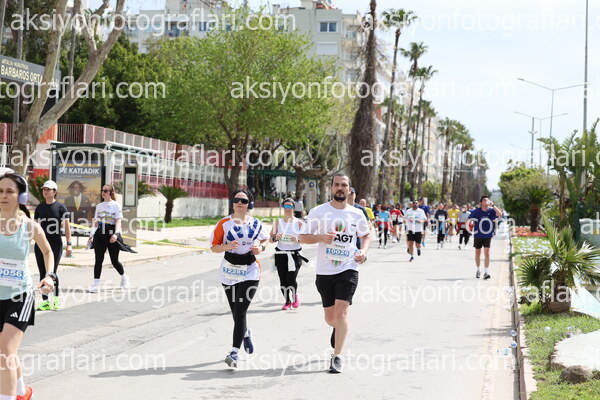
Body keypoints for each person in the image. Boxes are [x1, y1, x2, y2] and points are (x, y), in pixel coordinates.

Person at [299, 174, 370, 374]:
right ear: (331, 188)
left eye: (344, 185)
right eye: (337, 185)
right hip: (325, 271)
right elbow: (303, 237)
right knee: (330, 318)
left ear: (349, 189)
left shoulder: (357, 214)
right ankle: (337, 327)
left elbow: (365, 235)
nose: (340, 188)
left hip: (348, 268)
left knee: (341, 313)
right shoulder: (318, 212)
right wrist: (321, 238)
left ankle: (337, 356)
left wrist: (363, 251)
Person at [0, 172, 55, 400]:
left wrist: (49, 276)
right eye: (0, 191)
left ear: (21, 197)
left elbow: (48, 251)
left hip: (19, 296)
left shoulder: (30, 227)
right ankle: (22, 392)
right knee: (7, 350)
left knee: (5, 351)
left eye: (9, 191)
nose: (3, 195)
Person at [210, 190, 269, 368]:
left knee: (241, 311)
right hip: (229, 270)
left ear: (250, 204)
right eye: (236, 200)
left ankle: (234, 353)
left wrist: (261, 248)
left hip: (250, 270)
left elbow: (265, 239)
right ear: (232, 203)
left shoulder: (256, 223)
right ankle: (245, 333)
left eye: (244, 201)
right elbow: (214, 247)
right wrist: (227, 246)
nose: (240, 203)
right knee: (236, 312)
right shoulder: (224, 224)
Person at [34, 180, 73, 311]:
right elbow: (35, 227)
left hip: (55, 244)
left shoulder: (61, 208)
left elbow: (67, 227)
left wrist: (69, 244)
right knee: (42, 272)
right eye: (44, 189)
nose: (45, 191)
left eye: (48, 189)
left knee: (51, 273)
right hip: (41, 244)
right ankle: (45, 301)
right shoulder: (40, 207)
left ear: (54, 192)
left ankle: (56, 299)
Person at [87, 184, 130, 293]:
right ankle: (96, 284)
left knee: (114, 261)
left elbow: (118, 221)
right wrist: (91, 235)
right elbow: (96, 222)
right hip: (100, 234)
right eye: (102, 190)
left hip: (111, 233)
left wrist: (116, 234)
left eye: (105, 191)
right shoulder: (99, 206)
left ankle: (124, 277)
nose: (103, 192)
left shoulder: (116, 205)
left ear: (111, 192)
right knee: (98, 260)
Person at [270, 198, 307, 310]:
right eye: (285, 206)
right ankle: (287, 301)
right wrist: (276, 237)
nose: (287, 208)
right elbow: (270, 239)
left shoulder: (299, 223)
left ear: (293, 208)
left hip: (295, 255)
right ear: (283, 208)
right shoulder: (278, 222)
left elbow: (306, 239)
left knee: (291, 279)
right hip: (281, 254)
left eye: (290, 206)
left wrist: (298, 239)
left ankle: (295, 295)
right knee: (283, 280)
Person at [469, 196, 502, 279]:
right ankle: (478, 270)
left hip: (488, 234)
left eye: (487, 200)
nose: (486, 201)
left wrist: (493, 205)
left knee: (487, 253)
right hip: (478, 235)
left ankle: (486, 272)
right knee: (478, 253)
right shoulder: (476, 211)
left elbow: (499, 214)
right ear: (481, 202)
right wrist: (468, 229)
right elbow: (469, 219)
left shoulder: (491, 210)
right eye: (484, 200)